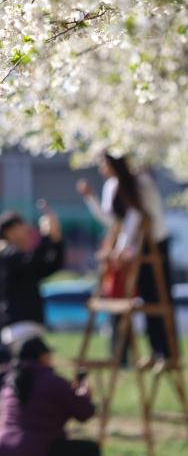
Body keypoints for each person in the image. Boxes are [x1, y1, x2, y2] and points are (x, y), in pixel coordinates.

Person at [77, 154, 176, 359]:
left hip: (153, 244)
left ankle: (165, 349)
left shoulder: (140, 182)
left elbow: (138, 216)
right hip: (134, 247)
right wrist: (90, 199)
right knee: (144, 298)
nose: (101, 168)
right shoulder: (112, 187)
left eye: (104, 163)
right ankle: (154, 349)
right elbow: (113, 220)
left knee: (157, 297)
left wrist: (122, 247)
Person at [0, 336, 100, 456]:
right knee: (90, 451)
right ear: (43, 357)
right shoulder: (52, 381)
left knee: (19, 447)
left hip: (1, 453)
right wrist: (84, 395)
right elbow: (84, 413)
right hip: (33, 454)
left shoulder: (9, 381)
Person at [0, 208, 64, 350]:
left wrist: (56, 241)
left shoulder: (19, 256)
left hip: (30, 323)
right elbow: (32, 260)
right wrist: (46, 236)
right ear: (9, 232)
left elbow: (51, 266)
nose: (27, 229)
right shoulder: (5, 253)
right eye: (22, 226)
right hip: (20, 326)